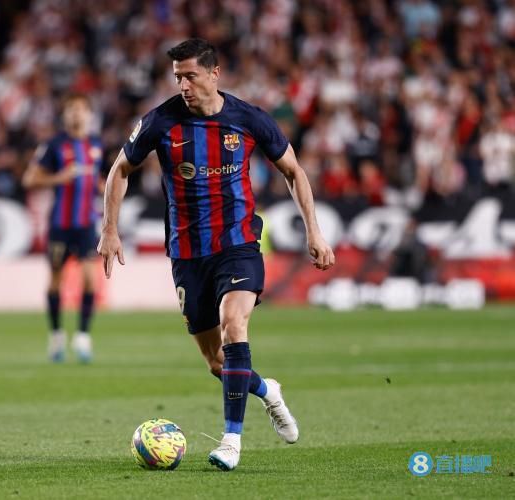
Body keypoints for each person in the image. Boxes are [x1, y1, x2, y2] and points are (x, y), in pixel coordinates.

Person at [98, 39, 335, 471]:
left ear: (214, 73)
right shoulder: (159, 121)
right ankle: (268, 391)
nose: (183, 85)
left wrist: (314, 232)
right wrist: (110, 230)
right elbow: (119, 171)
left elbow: (293, 171)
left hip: (239, 244)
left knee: (234, 323)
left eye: (189, 75)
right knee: (217, 362)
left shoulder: (248, 118)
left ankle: (231, 441)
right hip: (188, 254)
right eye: (177, 78)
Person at [23, 93, 104, 363]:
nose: (76, 114)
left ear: (89, 114)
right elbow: (30, 178)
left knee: (91, 279)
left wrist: (105, 187)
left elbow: (99, 179)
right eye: (71, 110)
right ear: (64, 116)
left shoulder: (96, 144)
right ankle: (56, 335)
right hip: (60, 224)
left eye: (81, 109)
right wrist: (60, 177)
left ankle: (82, 336)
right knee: (56, 280)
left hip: (86, 225)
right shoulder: (54, 145)